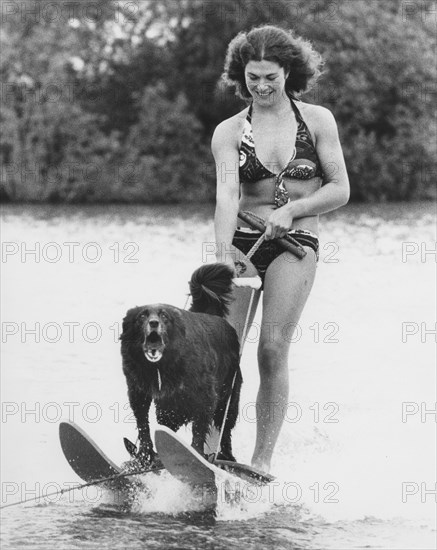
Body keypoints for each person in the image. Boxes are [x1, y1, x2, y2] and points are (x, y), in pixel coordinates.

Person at [211, 25, 350, 474]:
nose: (262, 85)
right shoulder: (229, 132)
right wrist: (221, 256)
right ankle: (209, 449)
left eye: (270, 76)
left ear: (289, 71)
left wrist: (295, 210)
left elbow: (340, 189)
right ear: (241, 75)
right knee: (220, 352)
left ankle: (261, 462)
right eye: (253, 77)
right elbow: (227, 197)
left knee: (271, 349)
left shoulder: (317, 121)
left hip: (295, 244)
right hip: (243, 244)